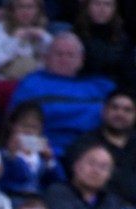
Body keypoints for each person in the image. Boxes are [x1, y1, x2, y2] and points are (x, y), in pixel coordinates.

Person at [7, 31, 116, 159]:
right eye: (59, 54)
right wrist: (45, 152)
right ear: (46, 58)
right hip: (44, 150)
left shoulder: (100, 86)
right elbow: (16, 126)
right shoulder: (32, 83)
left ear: (81, 60)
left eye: (70, 55)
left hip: (93, 151)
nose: (64, 59)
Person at [64, 89, 136, 208]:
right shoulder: (85, 144)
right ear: (103, 111)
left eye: (127, 110)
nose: (120, 114)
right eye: (115, 108)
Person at [0, 101, 64, 203]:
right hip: (11, 199)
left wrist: (49, 160)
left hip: (38, 202)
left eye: (34, 127)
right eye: (24, 125)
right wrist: (11, 155)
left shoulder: (41, 157)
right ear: (12, 126)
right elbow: (4, 179)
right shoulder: (2, 154)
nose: (28, 131)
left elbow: (59, 181)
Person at [0, 0, 51, 85]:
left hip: (34, 86)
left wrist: (44, 39)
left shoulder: (42, 34)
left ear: (38, 10)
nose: (25, 11)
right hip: (2, 83)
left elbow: (53, 65)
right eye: (21, 7)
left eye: (30, 7)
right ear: (12, 10)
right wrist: (14, 41)